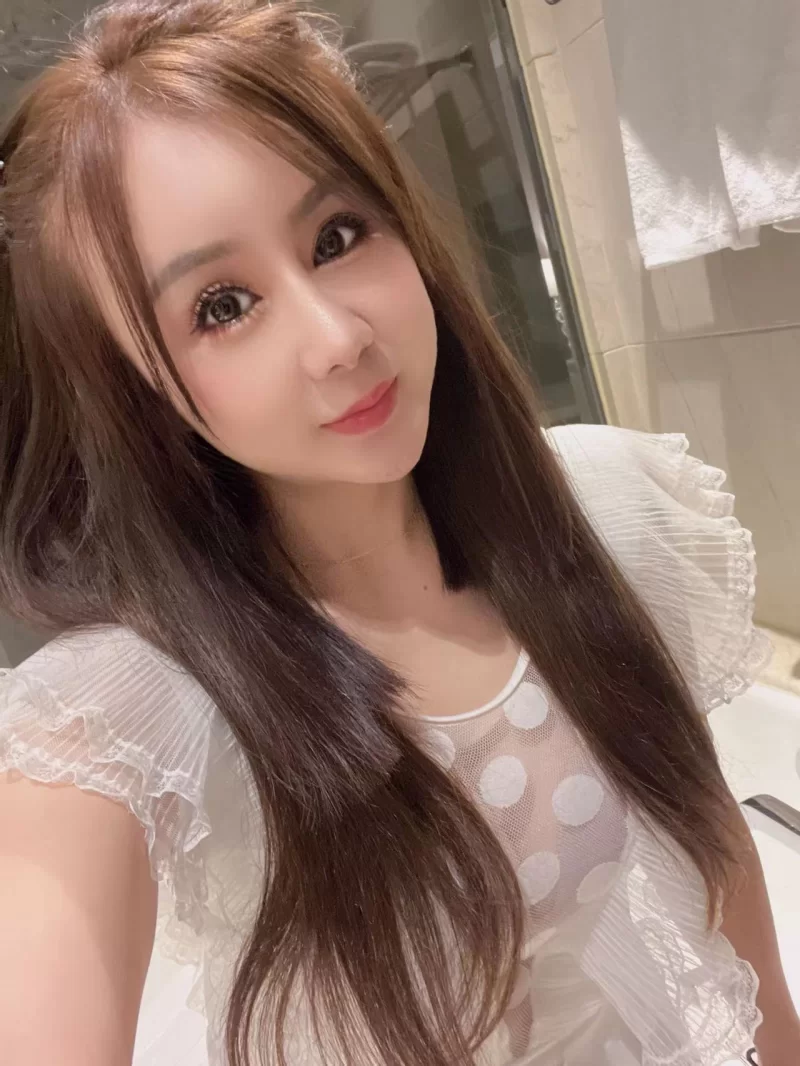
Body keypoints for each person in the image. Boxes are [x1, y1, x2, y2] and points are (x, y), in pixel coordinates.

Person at [0, 2, 796, 1064]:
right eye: (222, 306)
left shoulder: (602, 510)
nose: (337, 338)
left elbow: (712, 850)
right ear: (132, 388)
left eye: (337, 237)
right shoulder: (131, 706)